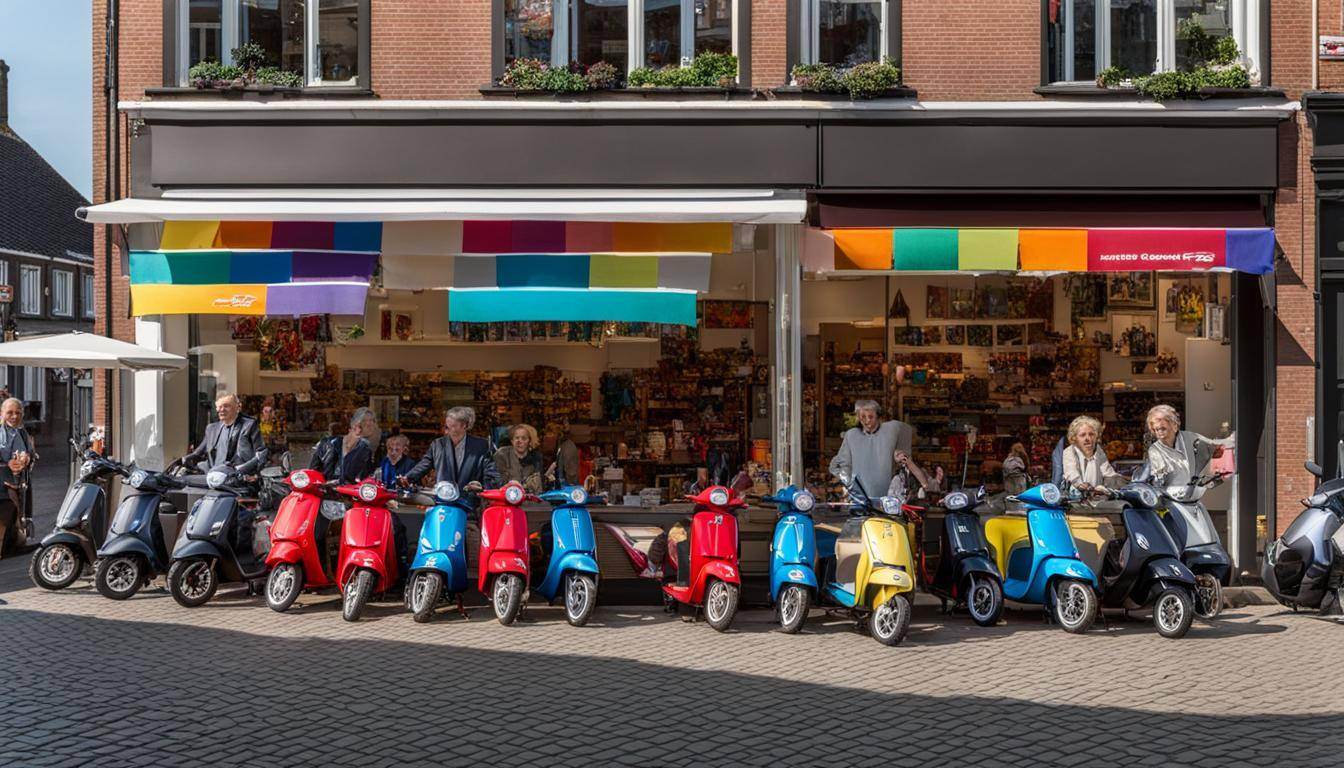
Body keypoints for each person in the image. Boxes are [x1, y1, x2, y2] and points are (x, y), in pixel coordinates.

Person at [402, 407, 501, 504]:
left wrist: (482, 486)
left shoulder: (482, 446)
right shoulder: (438, 444)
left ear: (465, 426)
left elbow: (492, 474)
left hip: (471, 503)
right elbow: (424, 465)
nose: (446, 431)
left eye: (452, 426)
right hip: (443, 499)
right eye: (446, 426)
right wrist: (407, 478)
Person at [828, 400, 914, 501]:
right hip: (860, 498)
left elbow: (907, 430)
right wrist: (850, 483)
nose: (867, 420)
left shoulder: (891, 430)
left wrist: (902, 453)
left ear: (878, 416)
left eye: (871, 416)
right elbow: (839, 464)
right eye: (863, 417)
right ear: (858, 417)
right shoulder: (852, 436)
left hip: (888, 496)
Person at [1144, 404, 1234, 490]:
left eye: (1163, 428)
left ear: (1174, 426)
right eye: (1156, 430)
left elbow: (1213, 444)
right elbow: (1158, 478)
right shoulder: (1155, 450)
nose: (1159, 433)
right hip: (1169, 495)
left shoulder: (1189, 437)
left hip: (1190, 494)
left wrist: (1234, 440)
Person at [180, 393, 268, 480]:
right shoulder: (211, 428)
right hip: (213, 475)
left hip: (237, 477)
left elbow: (261, 454)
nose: (222, 410)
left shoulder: (249, 425)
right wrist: (183, 460)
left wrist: (239, 470)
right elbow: (198, 453)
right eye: (219, 406)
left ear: (238, 408)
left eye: (226, 406)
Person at [0, 398, 34, 558]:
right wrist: (7, 464)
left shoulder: (22, 432)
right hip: (2, 483)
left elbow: (30, 453)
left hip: (19, 482)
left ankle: (12, 546)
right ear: (2, 413)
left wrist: (28, 458)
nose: (14, 416)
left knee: (16, 515)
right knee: (4, 515)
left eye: (18, 413)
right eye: (10, 413)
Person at [310, 407, 378, 484]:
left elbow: (366, 478)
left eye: (372, 421)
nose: (370, 424)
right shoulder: (327, 444)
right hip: (325, 492)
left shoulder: (365, 449)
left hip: (350, 493)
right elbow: (312, 474)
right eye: (365, 421)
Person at [1061, 415, 1124, 491]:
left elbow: (1109, 474)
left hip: (1098, 497)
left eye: (1091, 434)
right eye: (1082, 435)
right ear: (1074, 438)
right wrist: (1081, 485)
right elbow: (1072, 475)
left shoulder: (1099, 450)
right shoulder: (1069, 451)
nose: (1088, 438)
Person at [495, 423, 544, 494]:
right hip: (507, 496)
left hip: (529, 498)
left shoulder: (536, 458)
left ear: (529, 441)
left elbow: (539, 486)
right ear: (512, 441)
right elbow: (496, 480)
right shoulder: (501, 455)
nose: (519, 441)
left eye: (524, 438)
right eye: (517, 438)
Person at [545, 421, 581, 486]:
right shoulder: (560, 446)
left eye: (550, 434)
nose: (548, 437)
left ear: (557, 434)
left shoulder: (567, 447)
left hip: (567, 488)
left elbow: (571, 474)